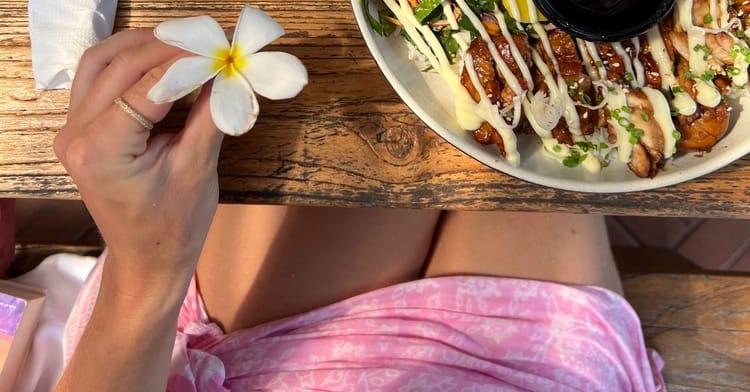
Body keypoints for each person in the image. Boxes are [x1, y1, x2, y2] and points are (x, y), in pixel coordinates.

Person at [52, 28, 665, 391]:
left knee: (387, 70)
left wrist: (144, 277)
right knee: (546, 109)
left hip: (174, 352)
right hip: (523, 373)